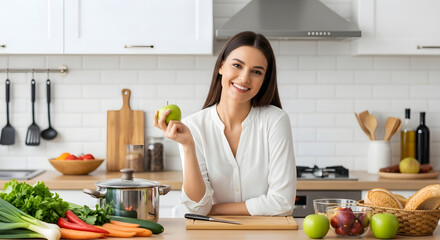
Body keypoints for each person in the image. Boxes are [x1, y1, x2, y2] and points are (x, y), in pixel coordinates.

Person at [154, 31, 296, 216]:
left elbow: (282, 203)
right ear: (221, 66)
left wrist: (216, 209)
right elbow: (197, 207)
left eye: (256, 71)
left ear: (264, 79)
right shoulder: (193, 127)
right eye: (237, 65)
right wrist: (188, 145)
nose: (245, 78)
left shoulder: (276, 121)